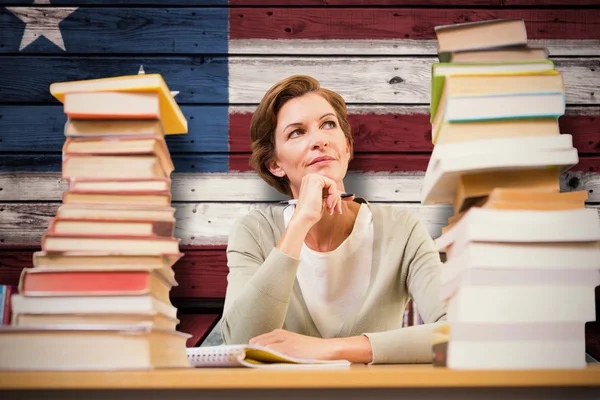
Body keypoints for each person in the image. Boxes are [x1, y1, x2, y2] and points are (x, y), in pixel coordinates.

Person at [220, 75, 447, 364]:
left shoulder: (401, 229)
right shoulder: (253, 231)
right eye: (297, 132)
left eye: (328, 124)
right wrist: (301, 222)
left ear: (347, 146)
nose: (320, 140)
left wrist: (331, 349)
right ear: (275, 165)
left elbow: (457, 332)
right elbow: (242, 343)